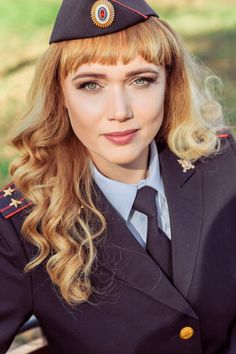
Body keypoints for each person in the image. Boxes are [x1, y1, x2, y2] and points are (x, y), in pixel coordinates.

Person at [0, 0, 235, 353]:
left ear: (170, 85)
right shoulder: (21, 226)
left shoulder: (223, 167)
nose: (120, 112)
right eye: (91, 85)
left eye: (141, 80)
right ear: (59, 95)